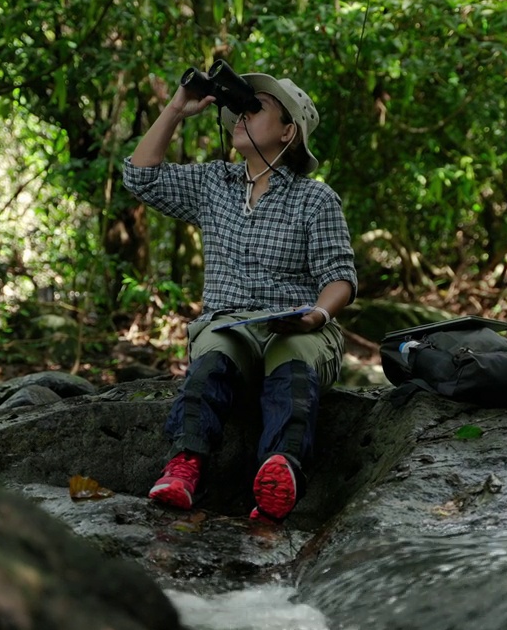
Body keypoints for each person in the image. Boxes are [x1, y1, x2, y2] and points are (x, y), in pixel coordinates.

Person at [122, 65, 356, 523]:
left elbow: (340, 278)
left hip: (296, 325)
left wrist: (315, 318)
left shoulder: (316, 200)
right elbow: (140, 178)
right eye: (242, 110)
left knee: (292, 359)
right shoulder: (215, 184)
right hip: (230, 323)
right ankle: (185, 467)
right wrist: (176, 108)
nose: (243, 115)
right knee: (213, 354)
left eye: (258, 108)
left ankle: (280, 471)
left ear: (289, 132)